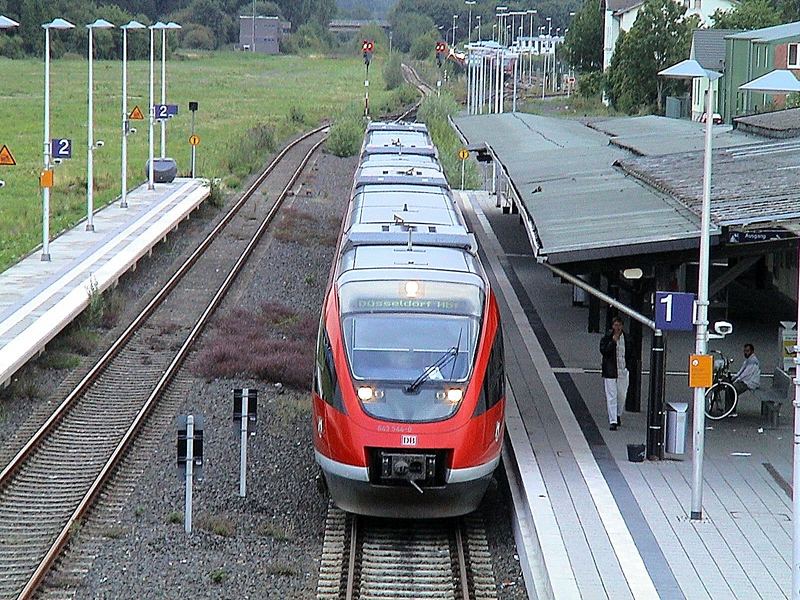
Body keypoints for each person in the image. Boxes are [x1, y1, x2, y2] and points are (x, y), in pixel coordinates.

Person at [600, 316, 634, 431]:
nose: (617, 328)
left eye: (619, 325)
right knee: (611, 396)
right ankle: (613, 420)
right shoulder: (607, 338)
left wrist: (629, 367)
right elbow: (604, 351)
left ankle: (618, 414)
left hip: (623, 370)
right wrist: (613, 342)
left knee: (622, 395)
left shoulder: (628, 339)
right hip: (610, 371)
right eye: (615, 325)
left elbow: (631, 353)